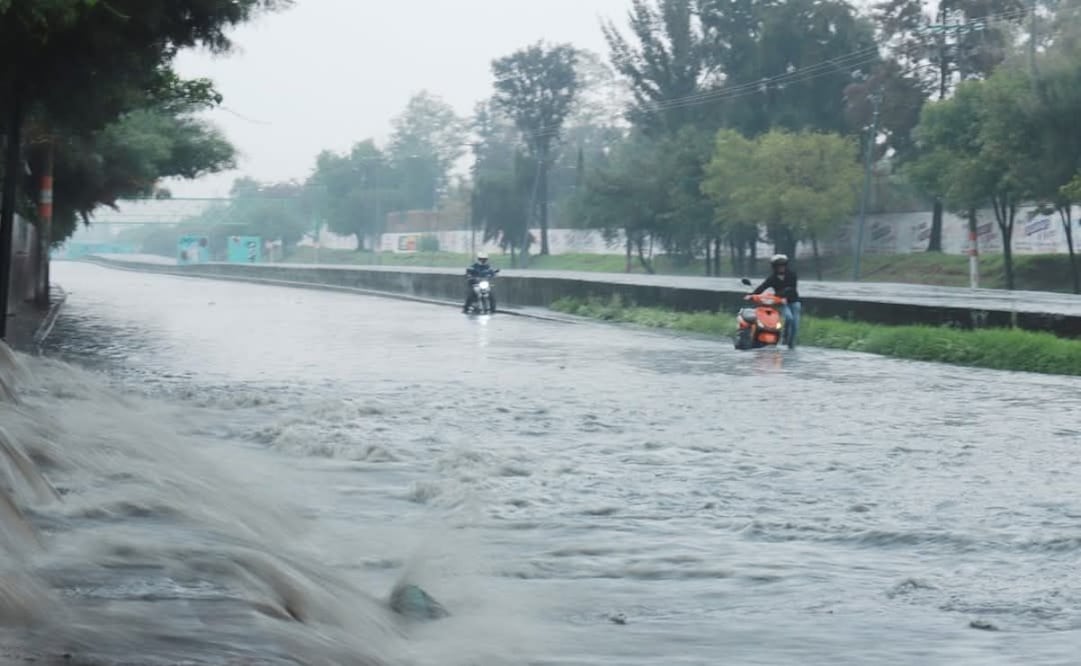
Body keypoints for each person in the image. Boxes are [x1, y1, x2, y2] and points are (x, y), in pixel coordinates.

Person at [748, 253, 800, 348]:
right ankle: (784, 336)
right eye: (779, 266)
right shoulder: (772, 278)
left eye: (783, 265)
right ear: (775, 267)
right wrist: (752, 295)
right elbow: (762, 287)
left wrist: (781, 295)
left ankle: (791, 345)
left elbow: (792, 288)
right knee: (789, 318)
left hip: (794, 301)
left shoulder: (792, 275)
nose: (781, 268)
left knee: (795, 325)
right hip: (781, 302)